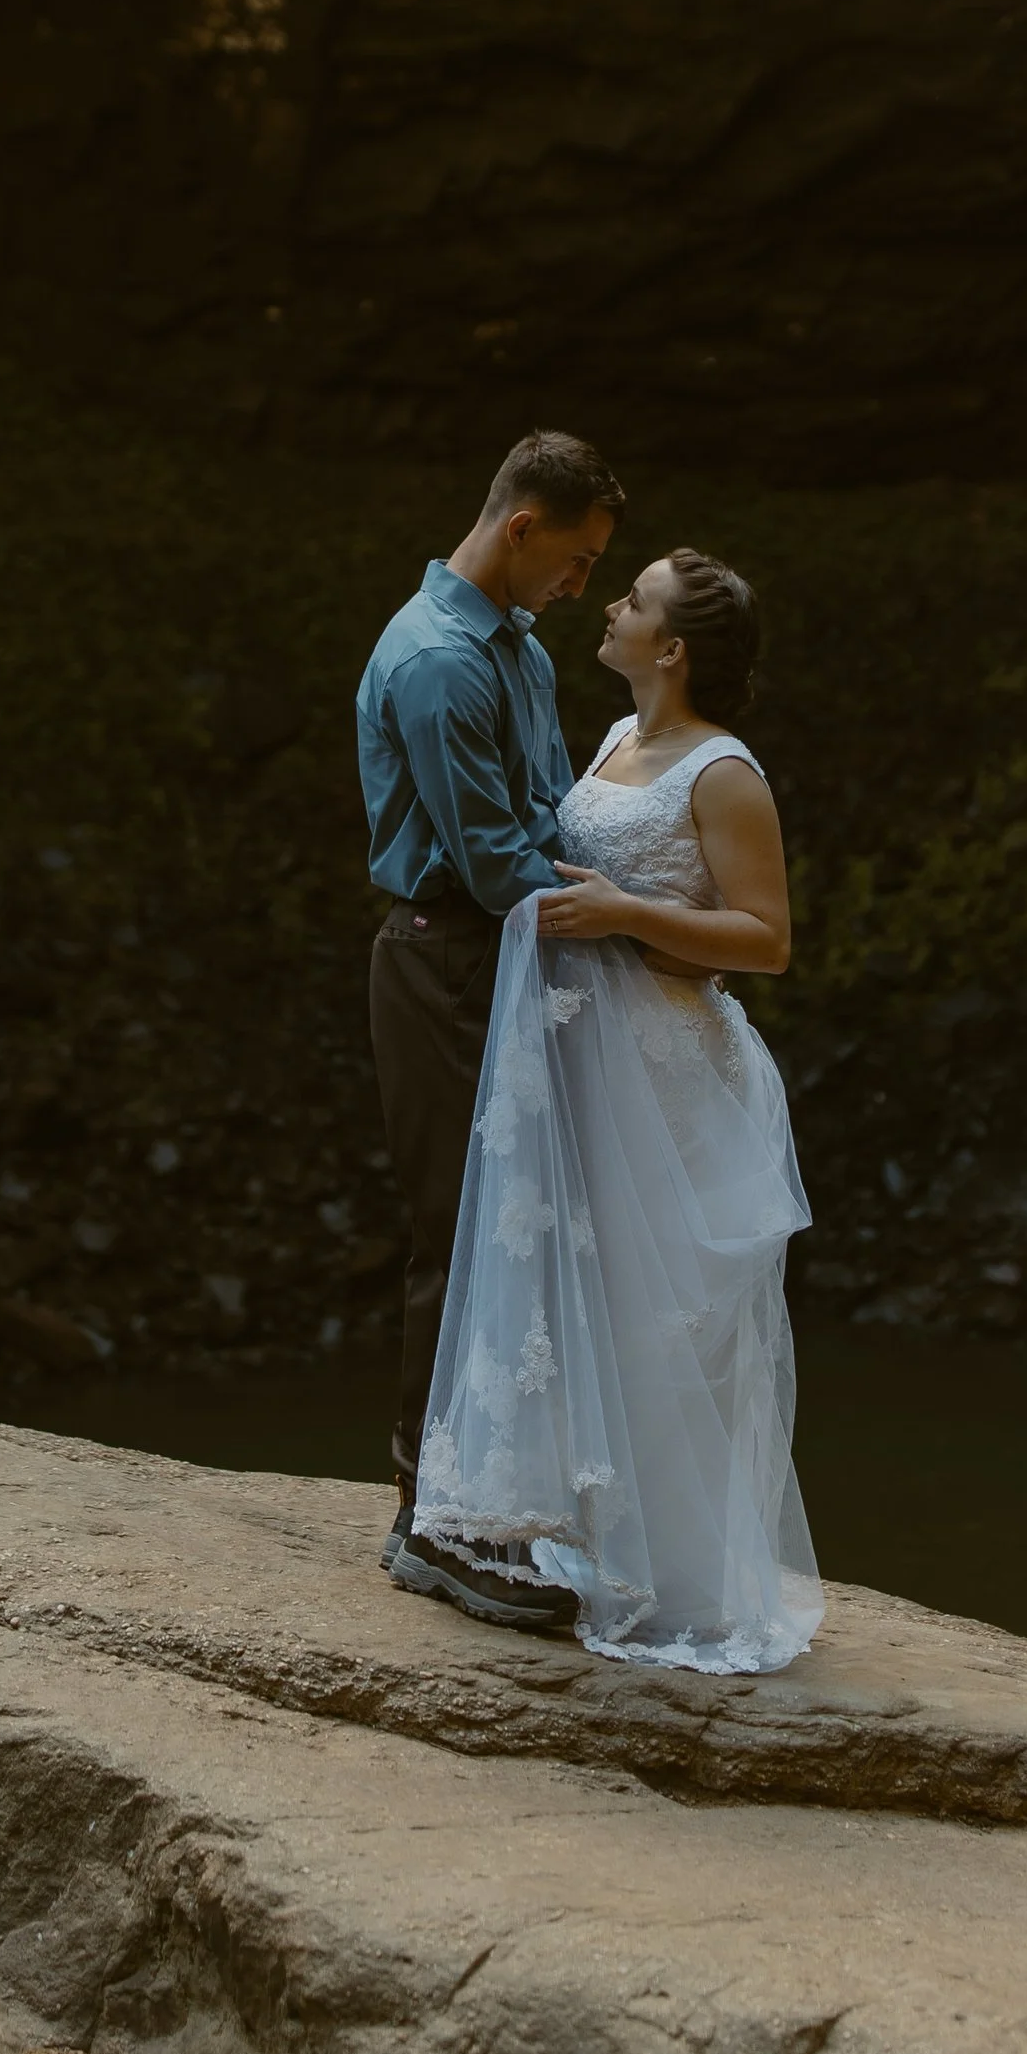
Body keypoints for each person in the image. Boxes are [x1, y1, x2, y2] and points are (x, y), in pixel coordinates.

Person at [408, 548, 824, 1674]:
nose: (611, 604)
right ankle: (590, 1539)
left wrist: (625, 914)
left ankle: (681, 1582)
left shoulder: (724, 774)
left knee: (660, 1319)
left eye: (633, 599)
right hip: (588, 1064)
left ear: (672, 647)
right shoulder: (612, 739)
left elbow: (766, 939)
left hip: (672, 1077)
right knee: (591, 1301)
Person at [357, 429, 625, 1631]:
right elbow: (490, 859)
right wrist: (643, 936)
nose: (580, 586)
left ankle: (480, 1506)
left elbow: (545, 816)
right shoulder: (437, 661)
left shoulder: (515, 646)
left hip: (515, 953)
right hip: (449, 959)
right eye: (576, 560)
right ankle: (429, 1522)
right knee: (458, 1232)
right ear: (521, 528)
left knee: (519, 1230)